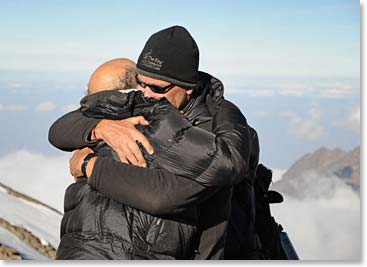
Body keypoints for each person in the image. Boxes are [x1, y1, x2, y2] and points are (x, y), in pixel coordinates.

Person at [49, 26, 252, 259]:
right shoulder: (144, 101)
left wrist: (89, 166)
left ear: (187, 88)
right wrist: (102, 128)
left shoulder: (210, 134)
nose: (145, 93)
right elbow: (60, 129)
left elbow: (165, 195)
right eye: (140, 82)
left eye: (157, 88)